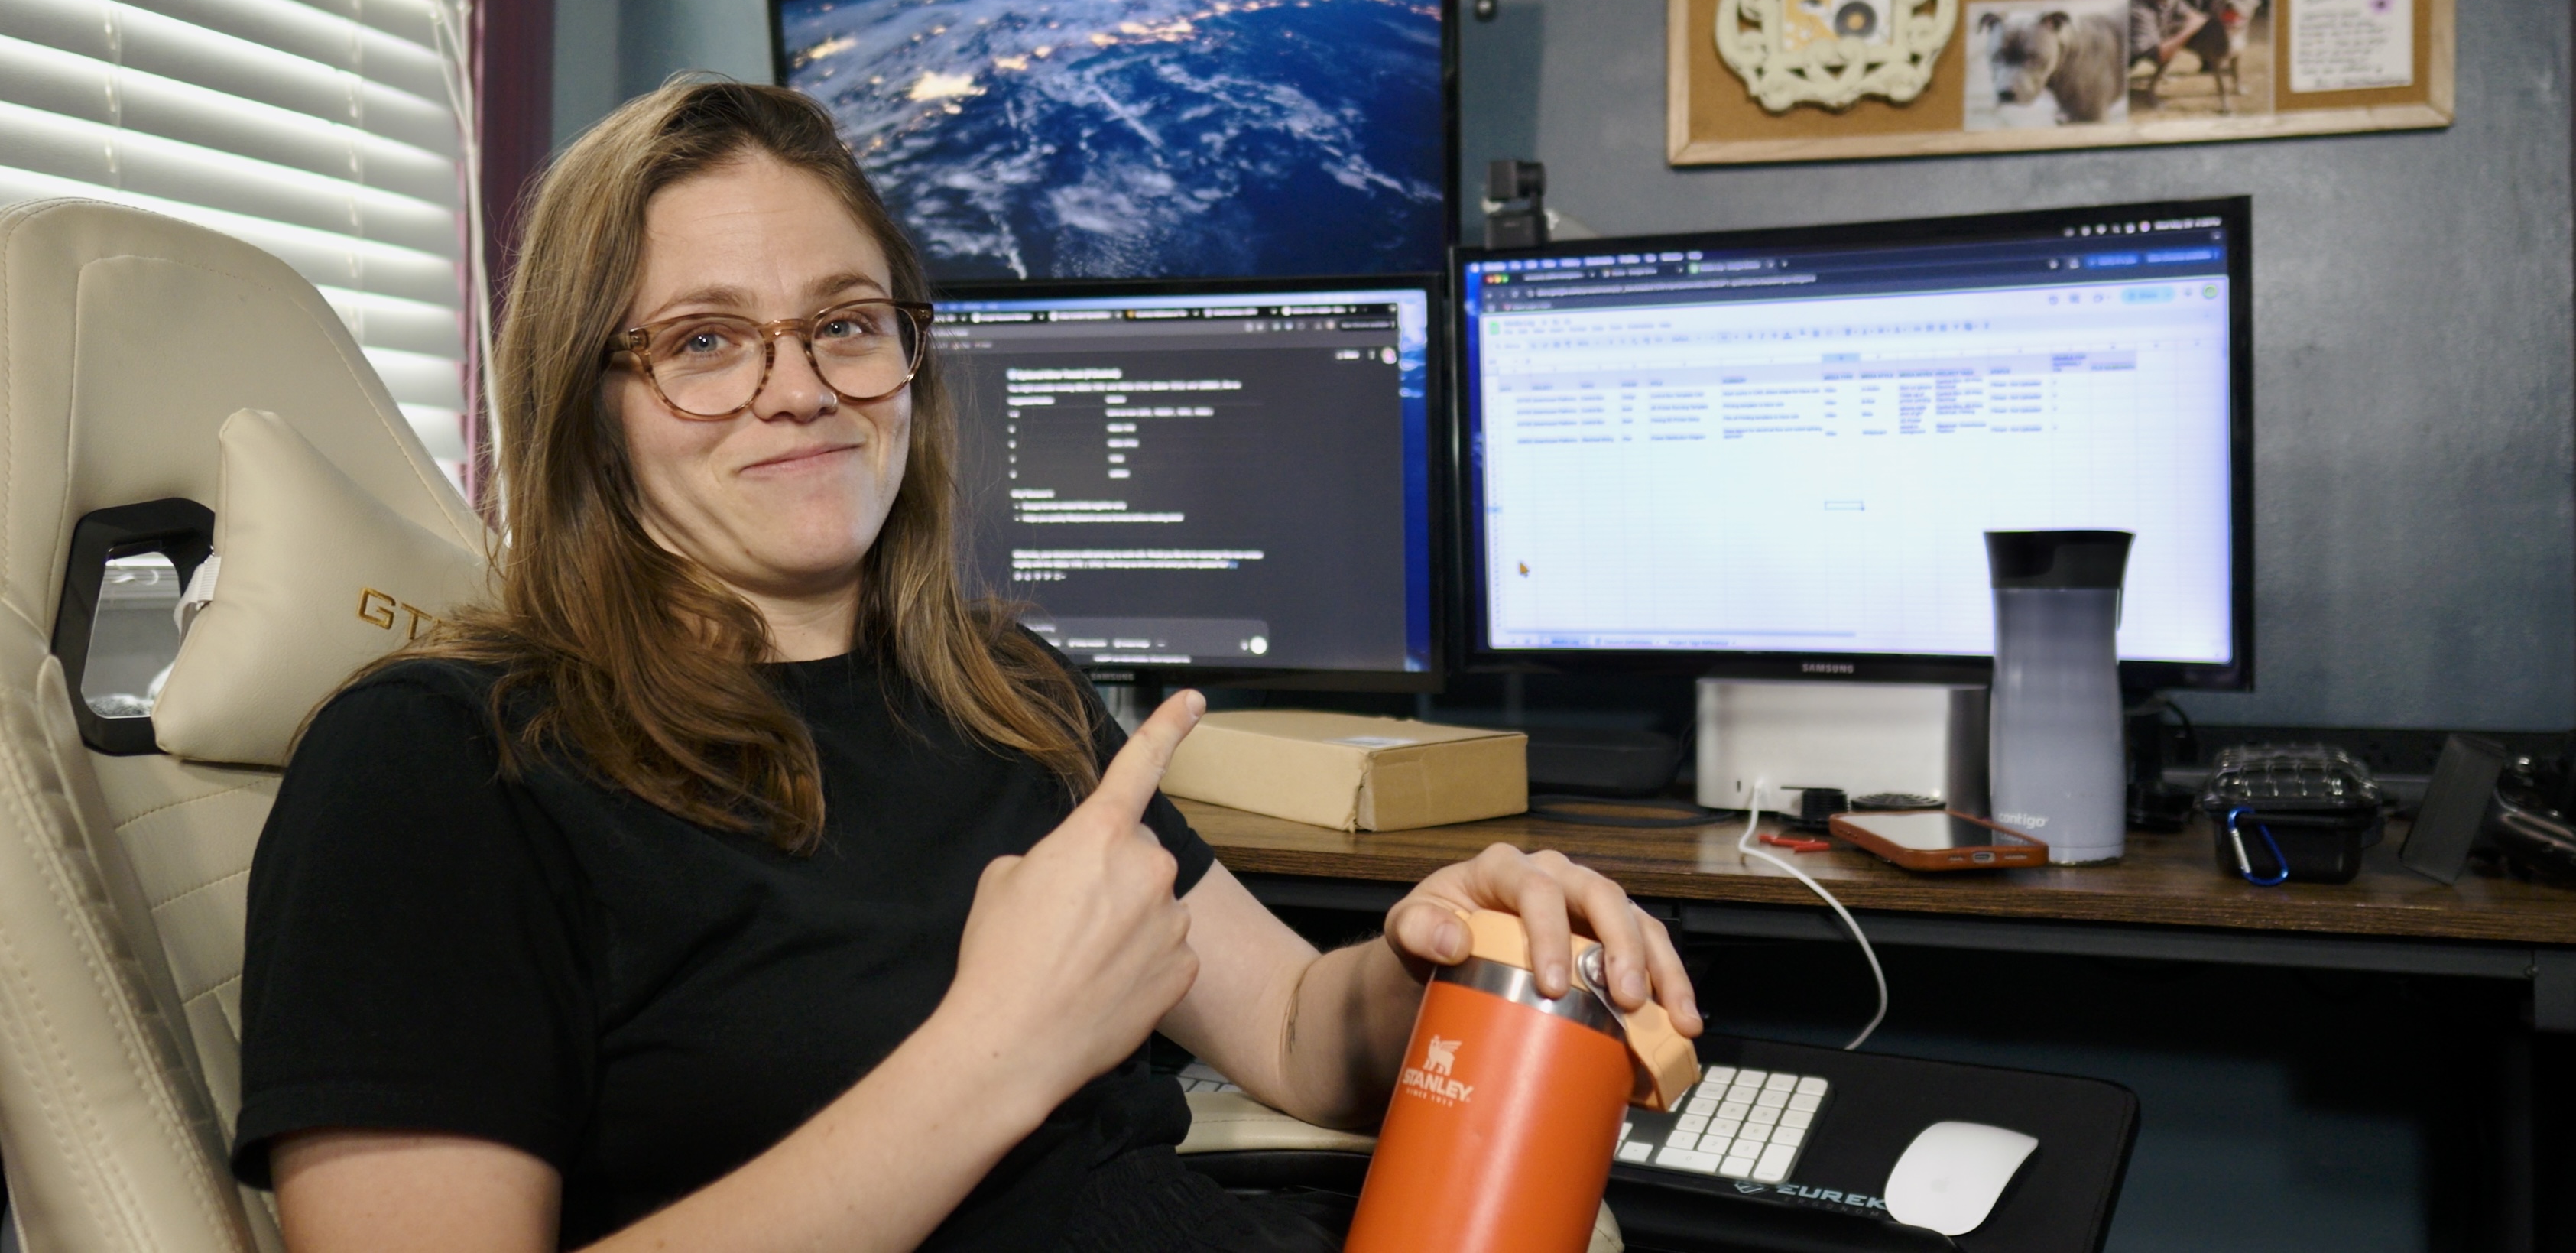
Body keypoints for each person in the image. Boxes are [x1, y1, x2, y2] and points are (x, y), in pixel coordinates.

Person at [230, 79, 1702, 1253]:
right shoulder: (440, 766)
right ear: (586, 403)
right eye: (702, 342)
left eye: (846, 326)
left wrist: (1442, 954)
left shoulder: (1003, 693)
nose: (796, 388)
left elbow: (1307, 1038)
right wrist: (995, 1053)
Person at [2128, 0, 2206, 73]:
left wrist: (2195, 19)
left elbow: (2188, 12)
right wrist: (2191, 28)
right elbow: (2159, 56)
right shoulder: (2138, 7)